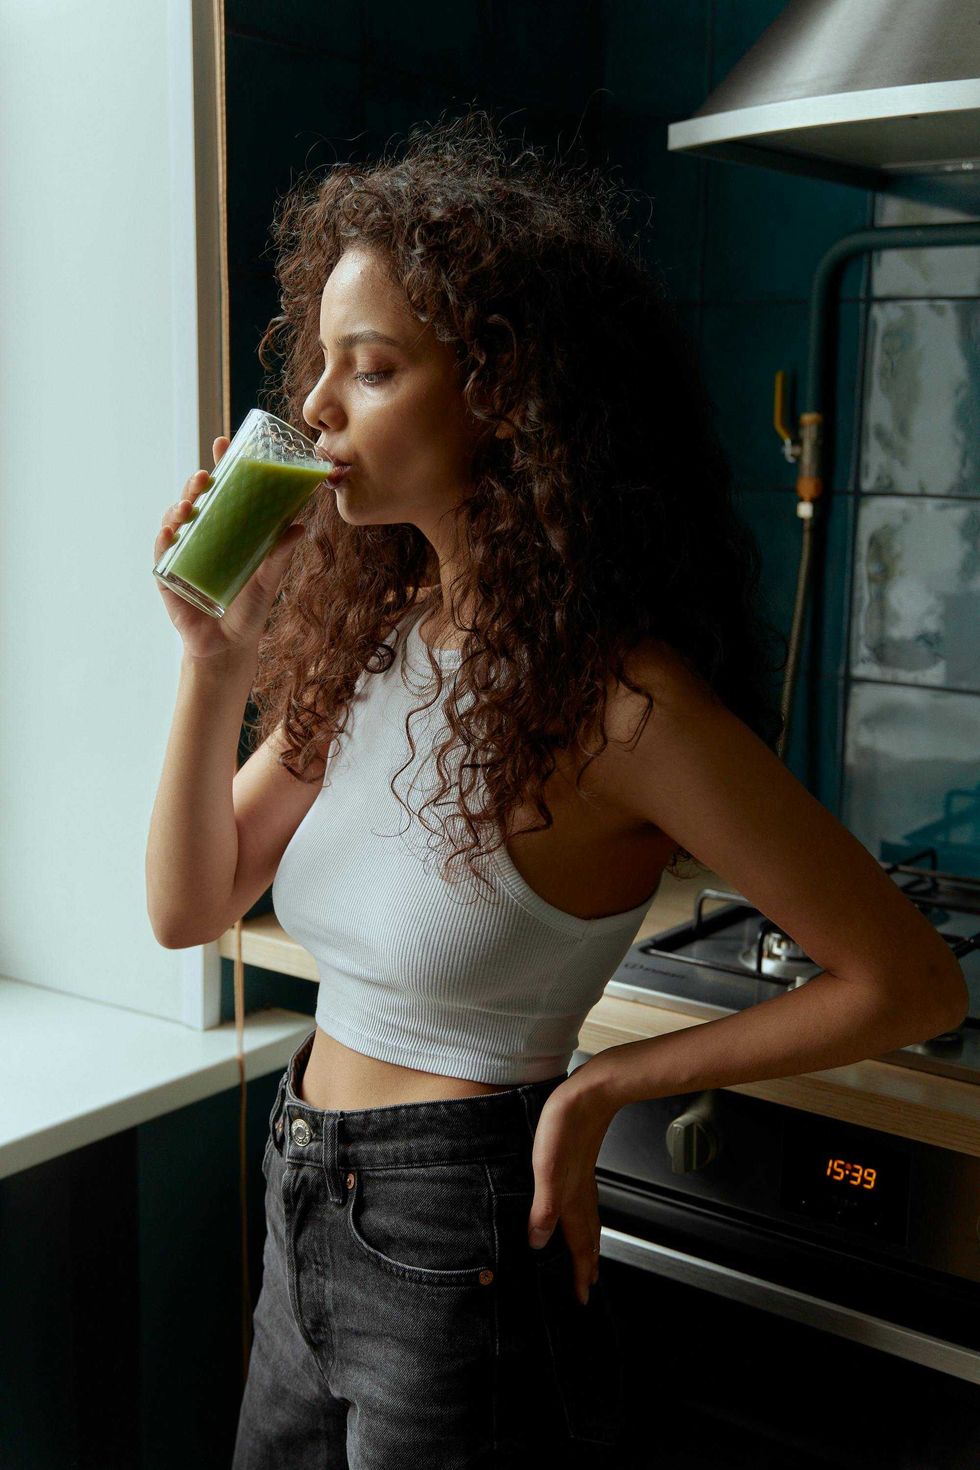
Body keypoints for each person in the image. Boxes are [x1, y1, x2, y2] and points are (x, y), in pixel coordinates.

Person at [146, 108, 968, 1468]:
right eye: (322, 368)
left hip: (461, 1235)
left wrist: (598, 1090)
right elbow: (190, 906)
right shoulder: (372, 637)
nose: (322, 410)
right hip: (302, 1192)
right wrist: (212, 664)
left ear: (499, 391)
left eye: (376, 368)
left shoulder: (618, 704)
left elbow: (910, 981)